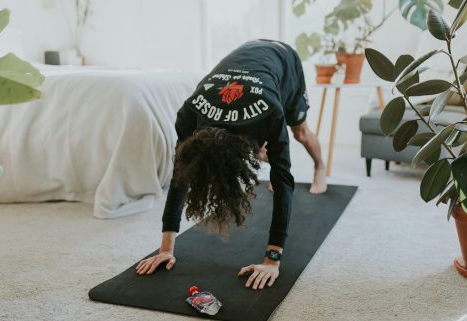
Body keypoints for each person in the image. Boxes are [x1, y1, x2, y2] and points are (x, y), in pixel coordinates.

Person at [136, 40, 327, 290]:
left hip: (282, 59)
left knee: (300, 132)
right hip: (247, 63)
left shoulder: (270, 112)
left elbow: (283, 181)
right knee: (260, 148)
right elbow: (180, 177)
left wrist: (272, 260)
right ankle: (260, 151)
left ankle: (320, 167)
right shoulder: (189, 112)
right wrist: (166, 249)